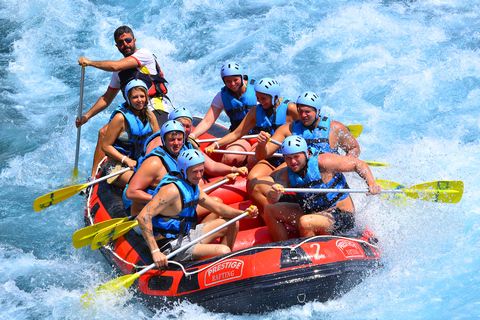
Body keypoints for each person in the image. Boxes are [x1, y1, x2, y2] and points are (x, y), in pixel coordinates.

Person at [77, 25, 171, 179]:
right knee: (103, 133)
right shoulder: (119, 72)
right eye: (121, 43)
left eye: (128, 40)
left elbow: (115, 64)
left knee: (154, 140)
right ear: (117, 46)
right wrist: (86, 116)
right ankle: (93, 178)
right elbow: (107, 98)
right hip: (134, 110)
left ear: (134, 40)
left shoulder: (144, 54)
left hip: (155, 105)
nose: (125, 44)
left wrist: (90, 63)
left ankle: (161, 171)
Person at [137, 149, 259, 267]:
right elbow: (143, 217)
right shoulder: (170, 190)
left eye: (201, 171)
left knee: (233, 223)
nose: (199, 175)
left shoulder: (193, 185)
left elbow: (217, 207)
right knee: (223, 250)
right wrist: (155, 252)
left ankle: (218, 267)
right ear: (183, 170)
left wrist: (244, 213)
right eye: (195, 172)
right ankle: (214, 272)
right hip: (169, 245)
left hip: (185, 234)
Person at [249, 91, 360, 216]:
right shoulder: (287, 129)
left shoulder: (335, 128)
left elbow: (354, 148)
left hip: (325, 186)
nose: (303, 115)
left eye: (307, 111)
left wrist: (343, 163)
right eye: (300, 111)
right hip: (299, 183)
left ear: (318, 111)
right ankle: (276, 218)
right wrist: (262, 145)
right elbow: (262, 155)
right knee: (255, 185)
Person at [263, 136, 381, 242]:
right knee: (270, 209)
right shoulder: (284, 174)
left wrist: (371, 183)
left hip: (341, 217)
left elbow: (357, 164)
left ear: (306, 153)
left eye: (296, 156)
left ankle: (311, 256)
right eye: (288, 158)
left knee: (305, 222)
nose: (293, 161)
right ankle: (282, 248)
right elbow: (273, 197)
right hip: (314, 213)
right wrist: (273, 193)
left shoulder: (324, 162)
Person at [126, 120, 238, 221]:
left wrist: (223, 180)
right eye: (172, 140)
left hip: (170, 210)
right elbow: (130, 193)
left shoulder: (181, 158)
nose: (176, 143)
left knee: (216, 202)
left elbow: (195, 192)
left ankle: (192, 238)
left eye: (179, 139)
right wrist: (163, 201)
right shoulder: (154, 162)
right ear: (163, 140)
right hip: (149, 215)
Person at [205, 77, 298, 178]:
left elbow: (307, 128)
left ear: (274, 97)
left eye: (263, 98)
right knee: (252, 175)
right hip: (269, 157)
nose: (260, 102)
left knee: (273, 176)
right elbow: (237, 133)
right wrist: (216, 144)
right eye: (257, 98)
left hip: (289, 157)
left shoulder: (291, 108)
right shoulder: (255, 112)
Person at [189, 62, 257, 166]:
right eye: (228, 81)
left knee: (255, 158)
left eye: (236, 80)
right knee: (230, 158)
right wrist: (192, 136)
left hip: (262, 135)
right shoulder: (221, 96)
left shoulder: (258, 89)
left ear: (242, 77)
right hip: (240, 136)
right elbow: (208, 121)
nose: (233, 84)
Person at [101, 79, 159, 188]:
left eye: (142, 96)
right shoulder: (120, 118)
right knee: (146, 185)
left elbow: (158, 139)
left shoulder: (150, 116)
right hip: (118, 165)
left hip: (141, 161)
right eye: (135, 97)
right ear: (128, 99)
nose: (139, 100)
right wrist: (126, 160)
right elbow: (105, 146)